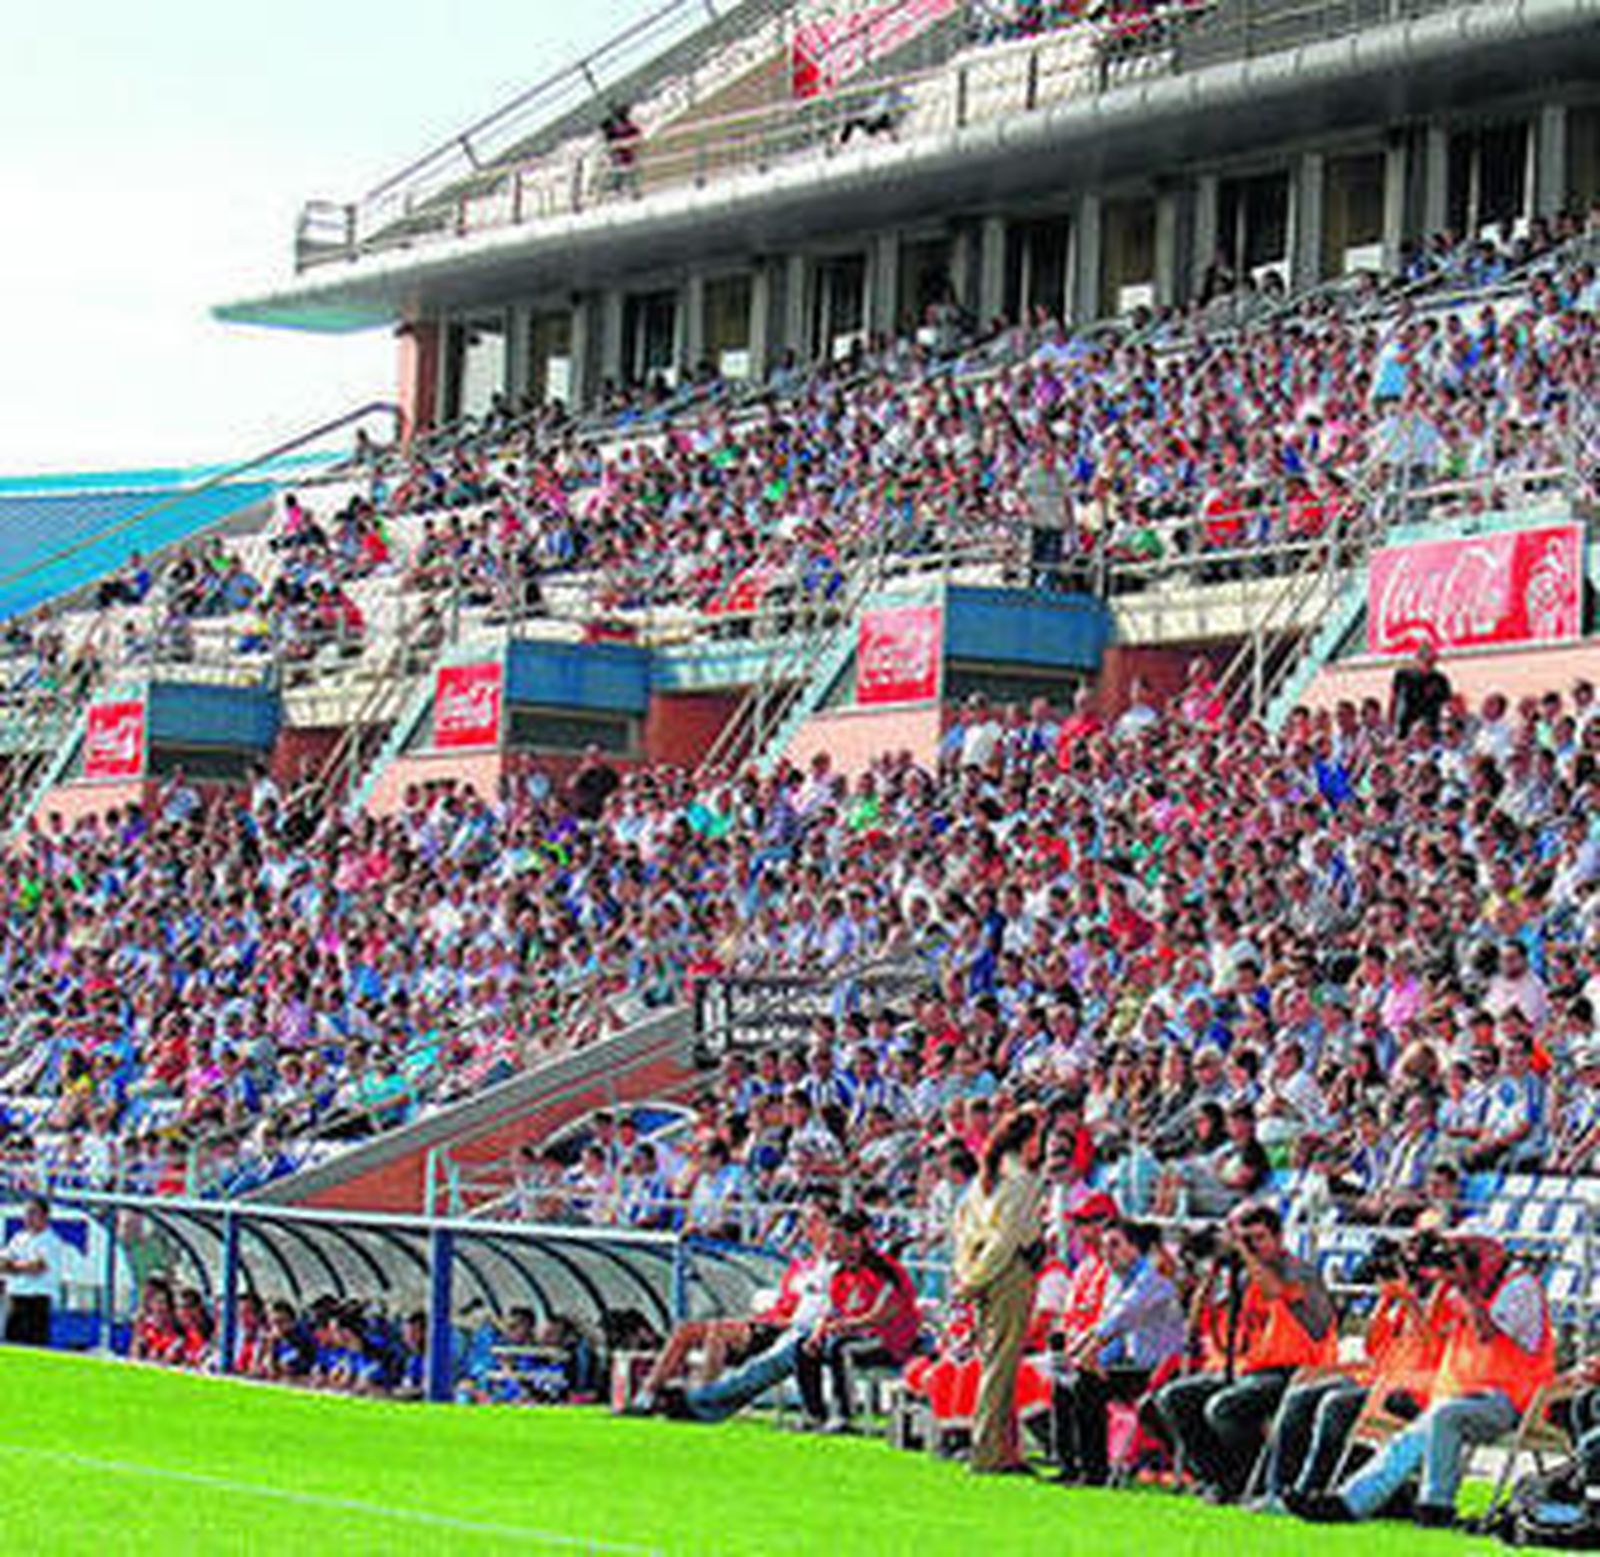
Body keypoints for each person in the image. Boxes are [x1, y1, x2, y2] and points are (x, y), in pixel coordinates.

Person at [1308, 1233, 1555, 1528]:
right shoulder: (1462, 1290)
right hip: (1464, 1395)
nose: (1451, 1266)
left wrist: (1464, 1287)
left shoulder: (1519, 1287)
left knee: (1441, 1417)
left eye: (1460, 1255)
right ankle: (1349, 1503)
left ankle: (1435, 1506)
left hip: (1512, 1400)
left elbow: (1485, 1332)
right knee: (1408, 1440)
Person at [1155, 1202, 1337, 1501]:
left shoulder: (1298, 1271)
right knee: (1173, 1398)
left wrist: (1242, 1251)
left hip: (1295, 1370)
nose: (1253, 1246)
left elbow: (1274, 1291)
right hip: (1248, 1368)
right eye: (1245, 1238)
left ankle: (1254, 1480)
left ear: (1279, 1238)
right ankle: (1218, 1478)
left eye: (1258, 1238)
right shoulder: (1242, 1275)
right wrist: (1213, 1269)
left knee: (1224, 1407)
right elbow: (1197, 1320)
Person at [1050, 1218, 1184, 1486]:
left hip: (1157, 1367)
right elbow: (1105, 1326)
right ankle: (1069, 1465)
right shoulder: (1115, 1280)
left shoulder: (1153, 1279)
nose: (1106, 1253)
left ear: (1134, 1248)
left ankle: (1094, 1472)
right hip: (1128, 1362)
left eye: (1114, 1245)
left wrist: (1087, 1356)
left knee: (1086, 1385)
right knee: (1065, 1383)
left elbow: (1119, 1320)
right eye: (1104, 1246)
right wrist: (1087, 1358)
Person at [953, 1106, 1046, 1474]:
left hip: (984, 1270)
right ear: (1027, 1141)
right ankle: (988, 1451)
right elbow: (1006, 1240)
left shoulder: (985, 1178)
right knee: (1000, 1366)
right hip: (1009, 1272)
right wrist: (975, 1280)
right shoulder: (1019, 1181)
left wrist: (968, 1276)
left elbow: (964, 1229)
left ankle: (1002, 1449)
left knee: (994, 1362)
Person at [796, 1210, 921, 1432]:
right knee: (804, 1347)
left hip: (890, 1340)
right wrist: (817, 1335)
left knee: (839, 1349)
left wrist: (846, 1325)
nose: (831, 1245)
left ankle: (843, 1415)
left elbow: (884, 1314)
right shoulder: (840, 1274)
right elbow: (831, 1311)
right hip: (859, 1335)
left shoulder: (884, 1269)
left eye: (837, 1238)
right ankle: (814, 1414)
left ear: (855, 1241)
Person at [0, 1197, 58, 1346]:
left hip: (36, 1300)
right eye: (26, 1213)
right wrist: (15, 1266)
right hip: (16, 1297)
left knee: (34, 1344)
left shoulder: (50, 1240)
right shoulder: (18, 1239)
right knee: (12, 1343)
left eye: (33, 1213)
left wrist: (13, 1267)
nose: (28, 1218)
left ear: (44, 1216)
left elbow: (37, 1267)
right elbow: (3, 1261)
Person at [1389, 641, 1452, 739]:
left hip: (1430, 731)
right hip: (1406, 728)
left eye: (1433, 662)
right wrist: (1391, 724)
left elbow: (1447, 704)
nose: (1430, 666)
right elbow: (1393, 700)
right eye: (1428, 662)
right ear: (1418, 660)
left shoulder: (1440, 680)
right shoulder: (1403, 676)